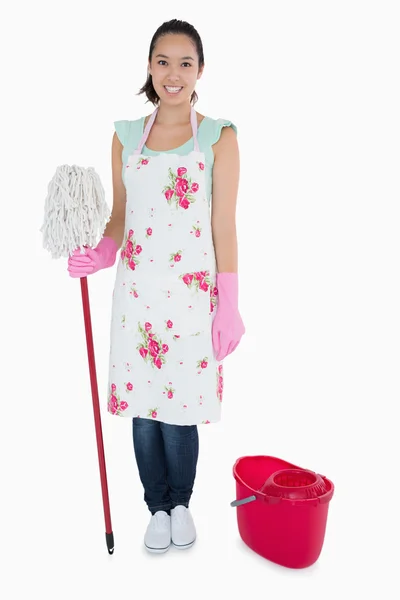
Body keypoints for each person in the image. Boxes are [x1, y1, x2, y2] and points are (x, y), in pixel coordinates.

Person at [67, 18, 245, 554]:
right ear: (149, 66)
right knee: (145, 409)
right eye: (163, 62)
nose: (173, 74)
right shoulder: (125, 136)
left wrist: (229, 305)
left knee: (180, 408)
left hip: (193, 300)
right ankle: (156, 507)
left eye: (185, 63)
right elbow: (120, 220)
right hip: (137, 299)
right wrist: (99, 253)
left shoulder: (219, 136)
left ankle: (182, 503)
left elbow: (224, 225)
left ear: (200, 71)